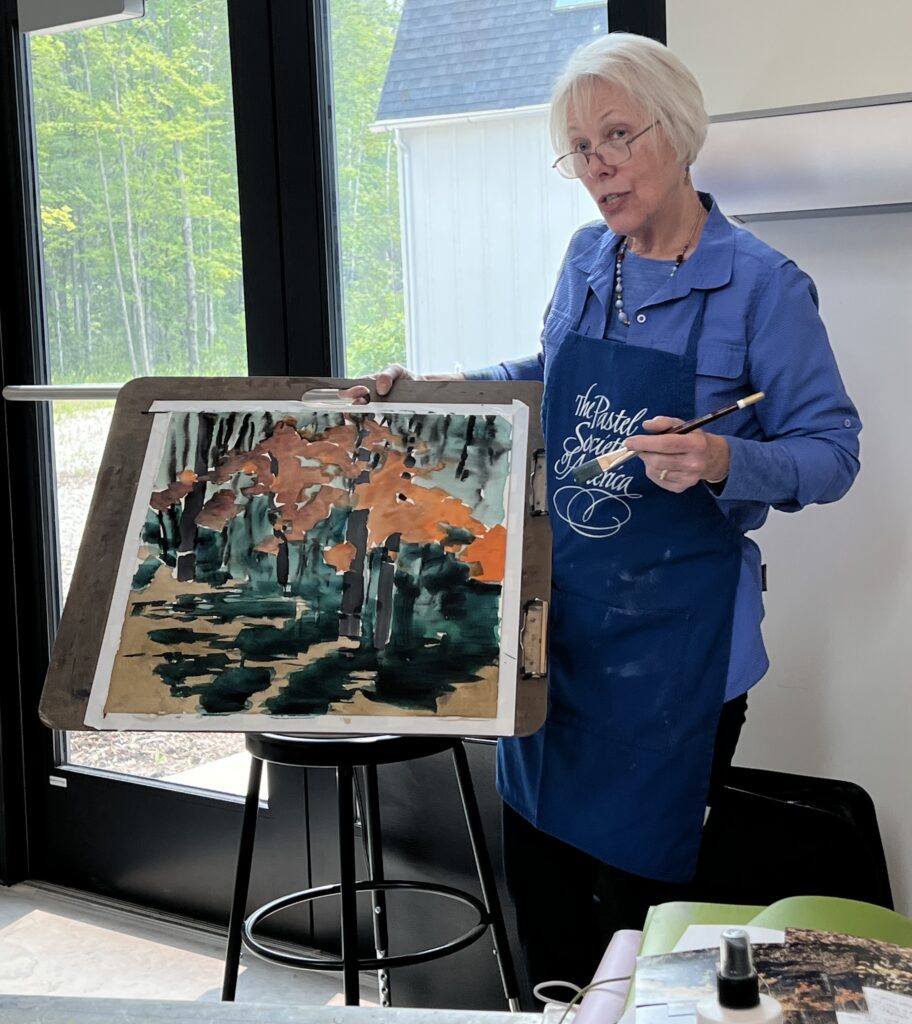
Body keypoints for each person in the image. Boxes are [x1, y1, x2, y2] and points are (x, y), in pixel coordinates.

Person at [344, 32, 860, 1002]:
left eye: (617, 136)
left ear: (679, 132)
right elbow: (550, 379)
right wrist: (452, 385)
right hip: (560, 627)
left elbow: (831, 453)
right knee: (539, 895)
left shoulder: (763, 286)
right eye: (580, 148)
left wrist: (719, 456)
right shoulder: (589, 260)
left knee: (636, 930)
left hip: (680, 655)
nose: (598, 166)